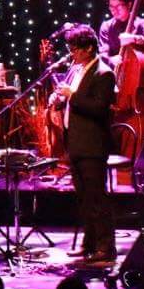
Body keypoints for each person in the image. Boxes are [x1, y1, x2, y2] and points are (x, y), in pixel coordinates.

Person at [53, 24, 118, 264]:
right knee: (84, 198)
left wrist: (72, 96)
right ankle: (89, 244)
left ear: (89, 48)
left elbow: (99, 107)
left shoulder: (104, 73)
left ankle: (106, 247)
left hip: (92, 144)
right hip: (76, 142)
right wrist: (60, 100)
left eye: (75, 49)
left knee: (97, 198)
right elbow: (73, 100)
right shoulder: (77, 70)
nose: (72, 54)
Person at [97, 0, 144, 68]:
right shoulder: (106, 27)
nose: (114, 10)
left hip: (136, 69)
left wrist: (135, 39)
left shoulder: (141, 23)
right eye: (111, 7)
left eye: (118, 6)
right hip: (115, 72)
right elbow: (103, 55)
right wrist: (111, 60)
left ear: (129, 5)